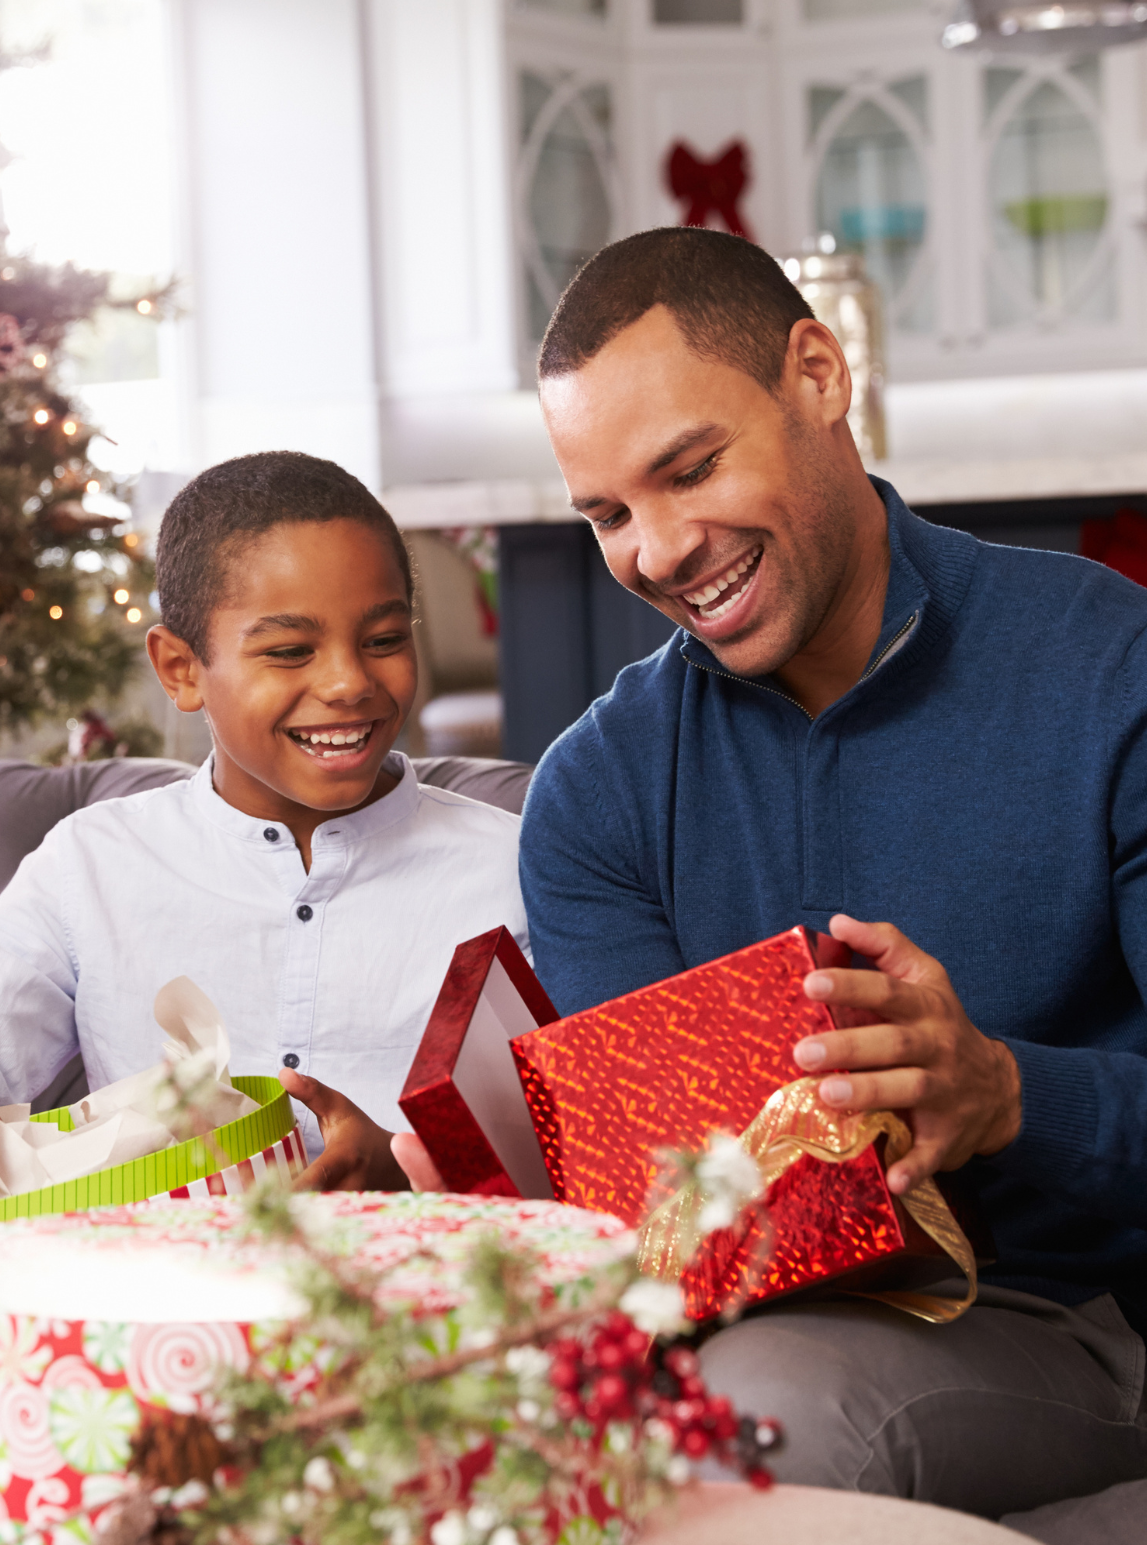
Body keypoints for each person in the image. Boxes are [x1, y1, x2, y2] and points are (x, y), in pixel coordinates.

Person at [394, 226, 1147, 1535]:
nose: (660, 549)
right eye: (610, 512)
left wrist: (1008, 1093)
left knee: (736, 1417)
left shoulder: (1106, 668)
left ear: (817, 373)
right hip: (761, 1322)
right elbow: (689, 1215)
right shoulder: (595, 798)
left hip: (1084, 1315)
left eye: (690, 470)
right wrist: (509, 1197)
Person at [0, 451, 526, 1242]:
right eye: (290, 650)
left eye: (385, 637)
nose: (349, 682)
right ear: (181, 669)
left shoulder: (510, 869)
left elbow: (585, 1155)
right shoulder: (93, 864)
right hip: (151, 1318)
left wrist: (410, 1168)